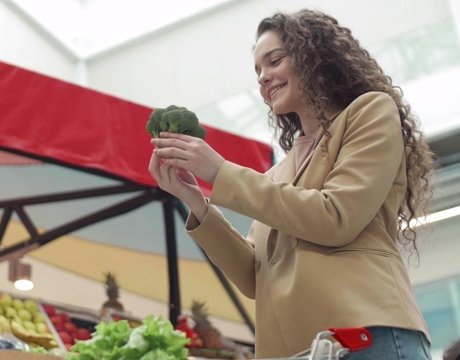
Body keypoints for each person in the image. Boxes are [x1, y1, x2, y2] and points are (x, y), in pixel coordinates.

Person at [148, 8, 437, 359]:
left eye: (274, 61)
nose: (263, 78)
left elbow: (336, 217)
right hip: (300, 351)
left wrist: (221, 172)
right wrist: (198, 203)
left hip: (365, 336)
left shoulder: (370, 112)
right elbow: (255, 276)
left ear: (312, 57)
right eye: (257, 70)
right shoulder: (276, 174)